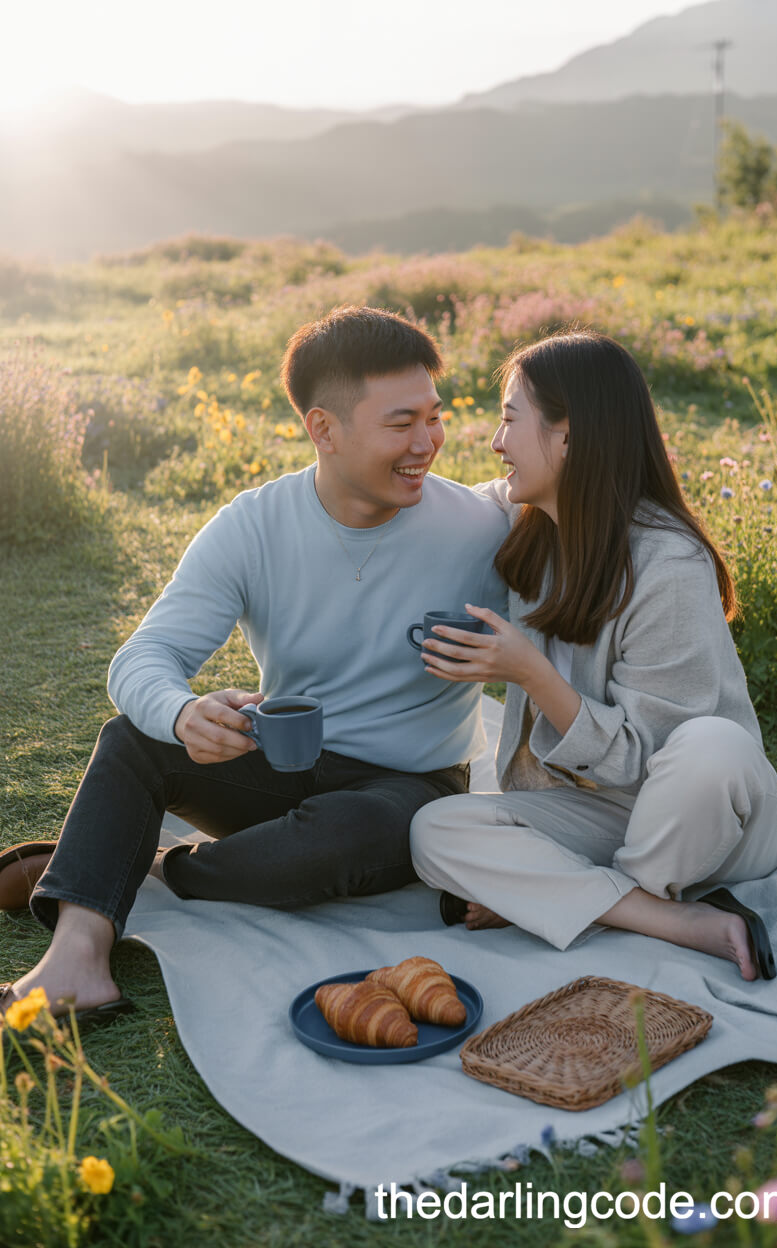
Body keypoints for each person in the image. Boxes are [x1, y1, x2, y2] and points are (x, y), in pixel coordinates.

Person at [0, 306, 509, 1022]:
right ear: (323, 429)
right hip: (285, 765)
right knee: (133, 741)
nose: (428, 442)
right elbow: (144, 656)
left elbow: (566, 652)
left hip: (408, 790)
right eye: (401, 423)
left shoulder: (484, 528)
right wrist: (182, 713)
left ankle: (143, 867)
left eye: (435, 416)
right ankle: (77, 959)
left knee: (345, 833)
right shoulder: (253, 526)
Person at [410, 329, 777, 982]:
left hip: (703, 822)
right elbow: (434, 513)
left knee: (712, 746)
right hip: (600, 814)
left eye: (509, 420)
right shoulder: (530, 521)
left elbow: (651, 762)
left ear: (568, 435)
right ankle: (665, 915)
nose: (496, 444)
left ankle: (582, 895)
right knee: (435, 829)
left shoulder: (667, 563)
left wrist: (527, 669)